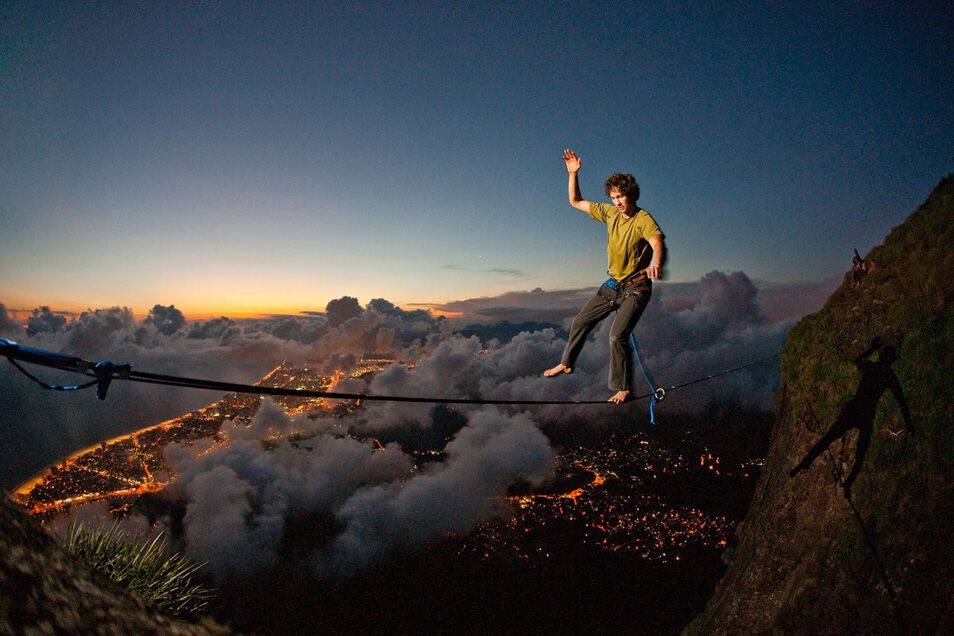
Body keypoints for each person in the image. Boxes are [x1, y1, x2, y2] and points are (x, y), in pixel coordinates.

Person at [544, 148, 665, 404]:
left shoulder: (643, 219)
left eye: (621, 196)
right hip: (612, 285)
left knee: (616, 335)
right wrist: (573, 174)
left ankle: (623, 387)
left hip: (636, 288)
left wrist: (656, 261)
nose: (617, 202)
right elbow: (575, 202)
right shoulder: (610, 213)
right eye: (613, 197)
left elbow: (656, 240)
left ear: (631, 195)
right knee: (580, 321)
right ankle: (566, 363)